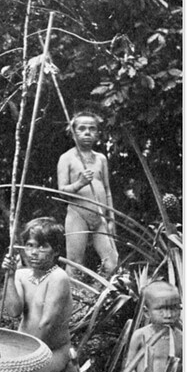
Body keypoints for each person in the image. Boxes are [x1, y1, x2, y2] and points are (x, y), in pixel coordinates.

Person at [1, 217, 75, 372]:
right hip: (24, 348)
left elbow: (47, 323)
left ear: (56, 251)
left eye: (43, 247)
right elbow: (13, 312)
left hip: (52, 351)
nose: (34, 253)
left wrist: (30, 357)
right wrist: (10, 276)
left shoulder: (57, 277)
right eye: (30, 245)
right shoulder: (21, 275)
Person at [56, 111, 118, 277]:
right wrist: (79, 183)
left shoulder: (101, 159)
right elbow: (61, 191)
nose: (87, 133)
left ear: (97, 133)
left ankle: (104, 291)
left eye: (92, 129)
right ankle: (70, 293)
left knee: (112, 263)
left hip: (100, 217)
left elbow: (107, 190)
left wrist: (111, 219)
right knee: (74, 263)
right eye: (82, 129)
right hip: (78, 215)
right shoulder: (67, 158)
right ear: (73, 133)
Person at [125, 280, 183, 372]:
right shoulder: (141, 335)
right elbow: (129, 367)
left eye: (174, 308)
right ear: (146, 312)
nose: (168, 314)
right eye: (161, 309)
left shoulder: (181, 337)